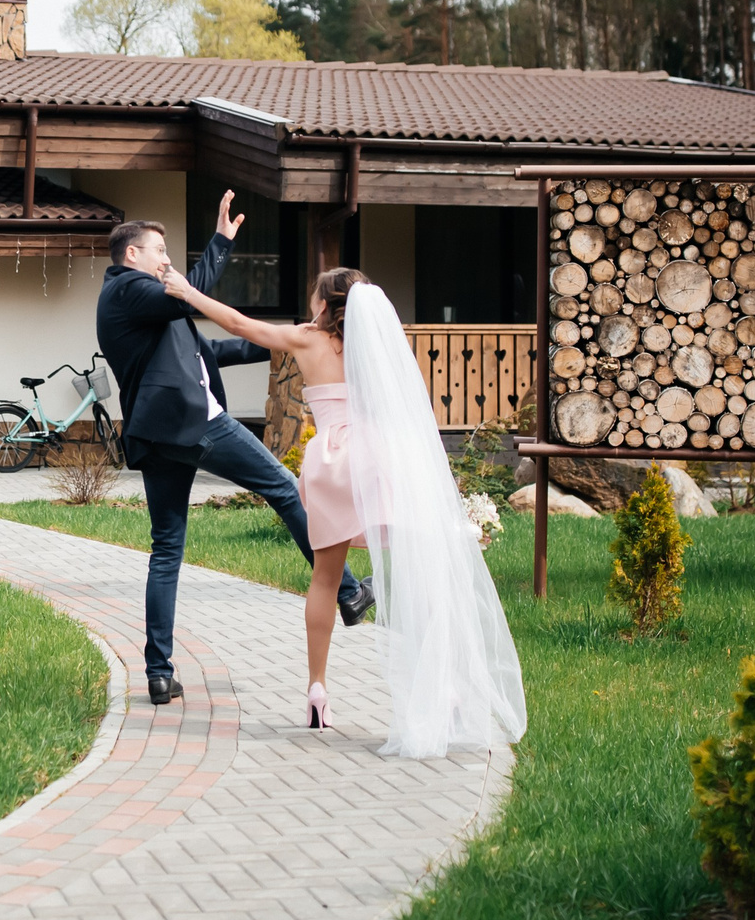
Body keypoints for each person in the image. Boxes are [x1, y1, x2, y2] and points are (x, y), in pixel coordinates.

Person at [158, 267, 526, 758]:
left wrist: (188, 292)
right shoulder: (375, 345)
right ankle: (446, 685)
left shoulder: (306, 340)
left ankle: (317, 689)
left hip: (332, 462)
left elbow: (241, 325)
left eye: (313, 294)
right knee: (421, 569)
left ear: (324, 304)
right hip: (381, 459)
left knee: (326, 580)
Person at [94, 198, 371, 706]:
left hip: (157, 436)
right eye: (160, 251)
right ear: (132, 254)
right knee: (284, 488)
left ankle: (159, 674)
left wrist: (282, 340)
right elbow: (187, 294)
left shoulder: (147, 307)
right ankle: (349, 592)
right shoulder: (128, 288)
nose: (168, 261)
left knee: (167, 550)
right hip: (193, 423)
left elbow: (210, 352)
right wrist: (220, 242)